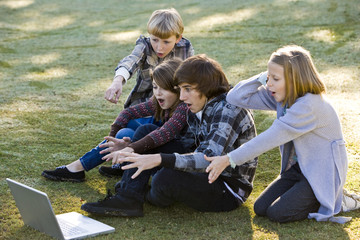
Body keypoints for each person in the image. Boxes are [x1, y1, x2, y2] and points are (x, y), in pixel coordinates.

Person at [80, 54, 258, 217]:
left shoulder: (228, 109)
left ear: (206, 86)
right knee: (146, 131)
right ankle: (128, 198)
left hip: (227, 187)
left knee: (165, 179)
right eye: (180, 89)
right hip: (203, 172)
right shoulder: (200, 103)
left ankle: (149, 192)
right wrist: (133, 147)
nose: (182, 96)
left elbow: (207, 159)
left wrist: (158, 159)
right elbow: (185, 144)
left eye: (187, 89)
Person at [205, 45, 353, 223]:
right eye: (268, 78)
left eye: (275, 79)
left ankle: (337, 197)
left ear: (294, 79)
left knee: (278, 213)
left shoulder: (309, 106)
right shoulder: (283, 97)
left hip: (322, 172)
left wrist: (229, 159)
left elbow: (269, 138)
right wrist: (263, 77)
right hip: (299, 169)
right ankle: (309, 193)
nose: (269, 85)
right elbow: (235, 97)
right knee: (261, 208)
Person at [42, 58, 194, 182]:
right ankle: (81, 166)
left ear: (176, 89)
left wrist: (130, 147)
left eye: (164, 88)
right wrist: (113, 138)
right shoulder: (159, 100)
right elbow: (128, 112)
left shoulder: (183, 107)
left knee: (144, 131)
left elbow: (164, 134)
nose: (158, 93)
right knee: (125, 130)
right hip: (160, 146)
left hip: (179, 156)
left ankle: (88, 168)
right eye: (155, 87)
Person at [104, 8, 194, 107]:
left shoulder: (185, 47)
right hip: (143, 102)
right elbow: (132, 60)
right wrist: (117, 81)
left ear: (178, 38)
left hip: (175, 104)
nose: (159, 47)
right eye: (155, 40)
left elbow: (192, 77)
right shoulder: (144, 46)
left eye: (166, 42)